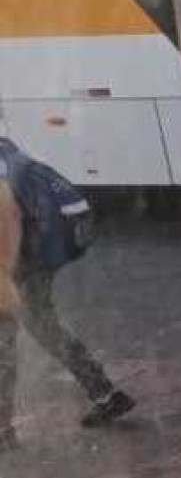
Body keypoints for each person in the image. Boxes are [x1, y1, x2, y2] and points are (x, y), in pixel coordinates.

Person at [0, 142, 132, 451]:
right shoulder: (12, 155)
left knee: (7, 343)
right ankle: (105, 393)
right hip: (34, 261)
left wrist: (9, 270)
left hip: (16, 265)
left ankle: (2, 430)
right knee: (45, 328)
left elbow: (10, 216)